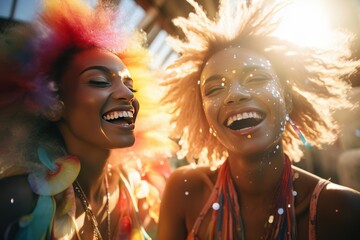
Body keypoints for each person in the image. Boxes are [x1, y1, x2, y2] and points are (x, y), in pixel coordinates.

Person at [157, 0, 360, 239]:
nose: (235, 95)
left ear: (288, 98)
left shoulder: (342, 208)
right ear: (203, 115)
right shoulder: (184, 189)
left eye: (255, 78)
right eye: (214, 90)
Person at [0, 0, 174, 239]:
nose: (126, 94)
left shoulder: (127, 192)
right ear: (52, 102)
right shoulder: (17, 198)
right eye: (100, 81)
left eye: (130, 86)